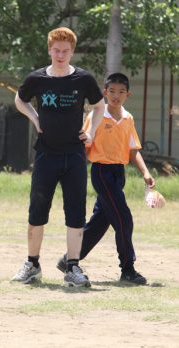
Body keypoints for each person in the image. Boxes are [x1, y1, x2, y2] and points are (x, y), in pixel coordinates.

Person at [11, 27, 105, 287]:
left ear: (72, 52)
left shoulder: (83, 79)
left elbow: (99, 106)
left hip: (74, 155)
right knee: (37, 211)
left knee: (76, 213)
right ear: (49, 50)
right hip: (45, 154)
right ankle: (32, 264)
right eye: (56, 50)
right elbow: (20, 100)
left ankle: (73, 268)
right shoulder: (37, 78)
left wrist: (92, 131)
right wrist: (35, 118)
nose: (61, 55)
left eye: (66, 51)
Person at [57, 73, 154, 285]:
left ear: (128, 94)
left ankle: (69, 260)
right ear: (104, 93)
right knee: (123, 219)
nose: (116, 96)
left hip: (119, 174)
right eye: (112, 92)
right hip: (101, 172)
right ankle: (128, 268)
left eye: (121, 92)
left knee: (100, 223)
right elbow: (83, 144)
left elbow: (133, 149)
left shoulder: (128, 118)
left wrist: (145, 172)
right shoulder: (96, 116)